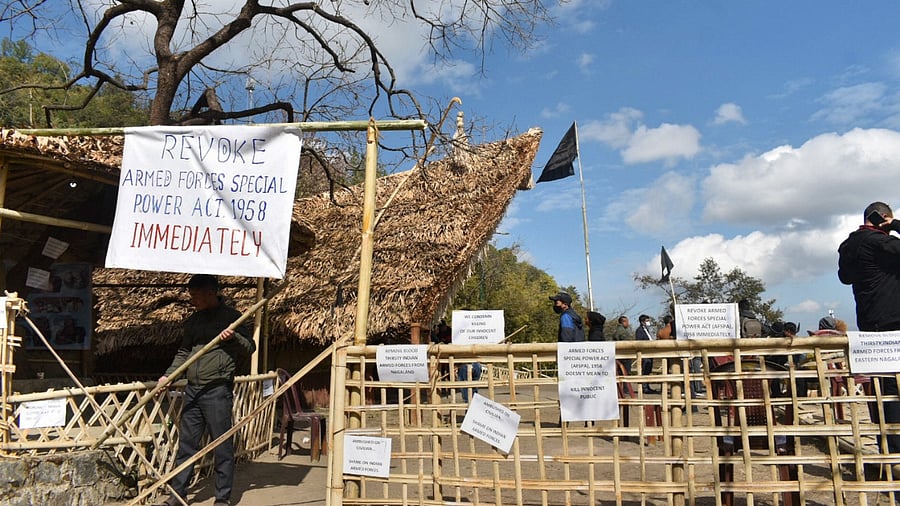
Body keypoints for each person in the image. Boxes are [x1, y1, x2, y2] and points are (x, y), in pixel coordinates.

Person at [157, 274, 255, 506]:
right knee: (187, 445)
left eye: (196, 296)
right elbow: (184, 353)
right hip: (193, 390)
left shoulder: (233, 319)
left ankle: (222, 498)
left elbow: (250, 348)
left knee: (221, 447)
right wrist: (169, 375)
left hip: (217, 390)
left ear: (211, 293)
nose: (193, 300)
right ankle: (177, 496)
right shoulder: (194, 321)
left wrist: (232, 338)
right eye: (191, 296)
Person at [838, 201, 900, 458]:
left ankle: (889, 452)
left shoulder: (848, 246)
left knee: (881, 392)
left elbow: (845, 277)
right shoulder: (882, 243)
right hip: (894, 322)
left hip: (868, 323)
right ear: (882, 217)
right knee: (894, 390)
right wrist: (895, 226)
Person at [635, 314, 658, 394]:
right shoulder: (639, 330)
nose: (648, 322)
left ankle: (647, 386)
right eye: (647, 321)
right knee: (645, 370)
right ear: (642, 322)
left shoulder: (647, 330)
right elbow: (639, 342)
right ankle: (644, 388)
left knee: (648, 370)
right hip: (644, 354)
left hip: (650, 353)